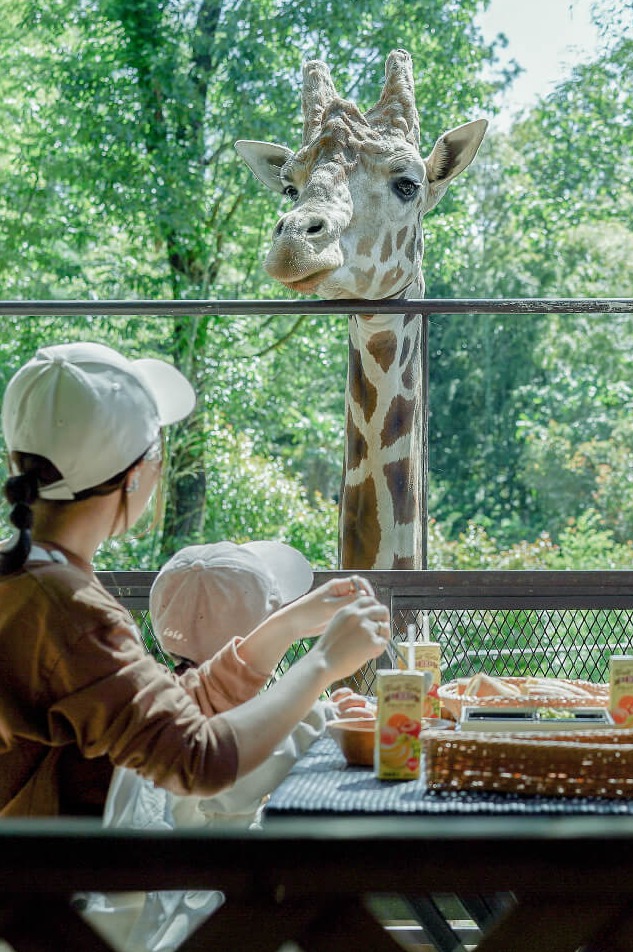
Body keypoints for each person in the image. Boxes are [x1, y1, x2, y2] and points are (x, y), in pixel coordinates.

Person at [0, 341, 391, 818]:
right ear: (136, 477)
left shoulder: (29, 582)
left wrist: (284, 626)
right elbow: (198, 759)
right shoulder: (70, 610)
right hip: (63, 884)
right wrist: (325, 661)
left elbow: (164, 712)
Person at [78, 539, 378, 952]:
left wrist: (323, 710)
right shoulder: (198, 727)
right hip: (221, 914)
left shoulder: (154, 697)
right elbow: (243, 764)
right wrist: (326, 714)